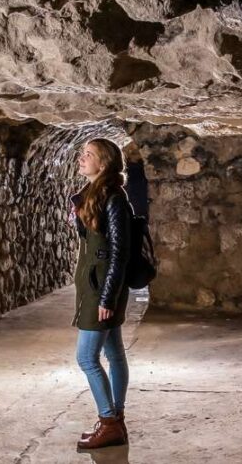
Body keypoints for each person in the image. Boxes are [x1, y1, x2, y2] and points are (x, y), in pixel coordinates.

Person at [68, 138, 132, 449]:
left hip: (103, 288)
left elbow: (119, 252)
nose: (81, 158)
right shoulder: (96, 194)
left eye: (88, 154)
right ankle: (115, 422)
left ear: (103, 163)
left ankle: (108, 421)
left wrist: (108, 297)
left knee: (86, 357)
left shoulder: (114, 198)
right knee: (114, 353)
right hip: (98, 285)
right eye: (82, 153)